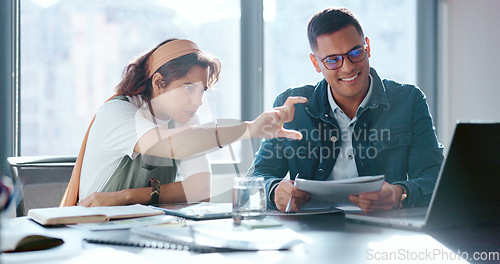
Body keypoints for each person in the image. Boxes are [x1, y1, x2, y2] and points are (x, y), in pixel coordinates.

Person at [60, 39, 306, 207]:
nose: (198, 101)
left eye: (203, 91)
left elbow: (200, 190)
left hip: (144, 230)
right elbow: (171, 146)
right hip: (90, 231)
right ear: (158, 83)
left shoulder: (183, 119)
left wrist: (127, 196)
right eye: (188, 88)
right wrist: (249, 129)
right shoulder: (117, 113)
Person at [248, 7, 444, 212]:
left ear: (367, 47)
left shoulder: (409, 101)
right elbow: (257, 177)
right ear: (316, 63)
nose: (348, 68)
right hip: (311, 230)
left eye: (355, 53)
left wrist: (399, 194)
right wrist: (274, 191)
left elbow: (435, 177)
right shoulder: (293, 107)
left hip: (383, 230)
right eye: (333, 60)